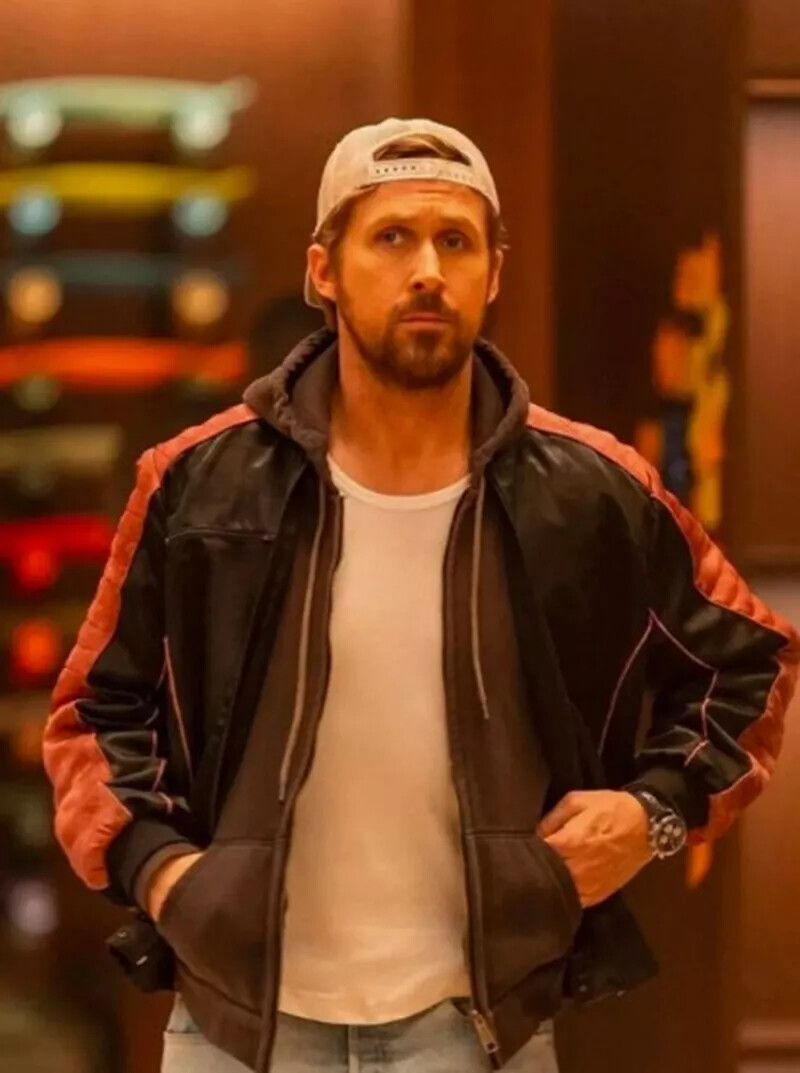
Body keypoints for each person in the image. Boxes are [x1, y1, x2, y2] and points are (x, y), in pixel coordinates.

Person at [43, 118, 798, 1073]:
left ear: (494, 273)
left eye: (456, 241)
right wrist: (163, 874)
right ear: (323, 270)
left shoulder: (590, 489)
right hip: (238, 1028)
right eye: (392, 237)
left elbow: (749, 661)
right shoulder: (199, 483)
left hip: (478, 1026)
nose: (428, 271)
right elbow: (93, 713)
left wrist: (652, 815)